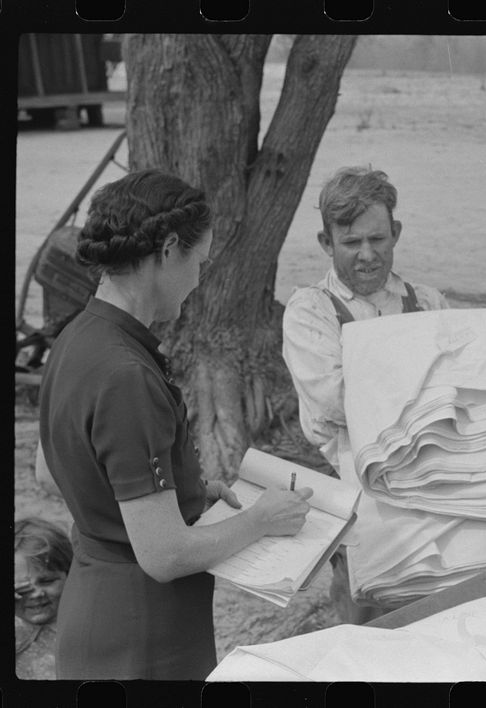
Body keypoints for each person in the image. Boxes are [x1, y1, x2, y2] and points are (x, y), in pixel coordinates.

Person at [38, 169, 314, 680]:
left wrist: (178, 490)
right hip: (143, 631)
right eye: (200, 262)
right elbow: (163, 555)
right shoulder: (126, 375)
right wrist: (262, 520)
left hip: (93, 605)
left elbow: (49, 469)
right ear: (167, 250)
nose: (200, 279)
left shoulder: (77, 337)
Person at [282, 166, 448, 623]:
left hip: (436, 491)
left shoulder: (428, 302)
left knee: (439, 609)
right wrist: (423, 391)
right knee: (367, 621)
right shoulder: (311, 311)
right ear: (326, 242)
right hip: (356, 497)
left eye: (378, 239)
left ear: (395, 232)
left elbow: (458, 386)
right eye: (352, 243)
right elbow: (337, 401)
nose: (368, 255)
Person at [14, 517, 73, 679]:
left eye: (46, 581)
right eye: (22, 588)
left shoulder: (80, 625)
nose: (36, 593)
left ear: (69, 575)